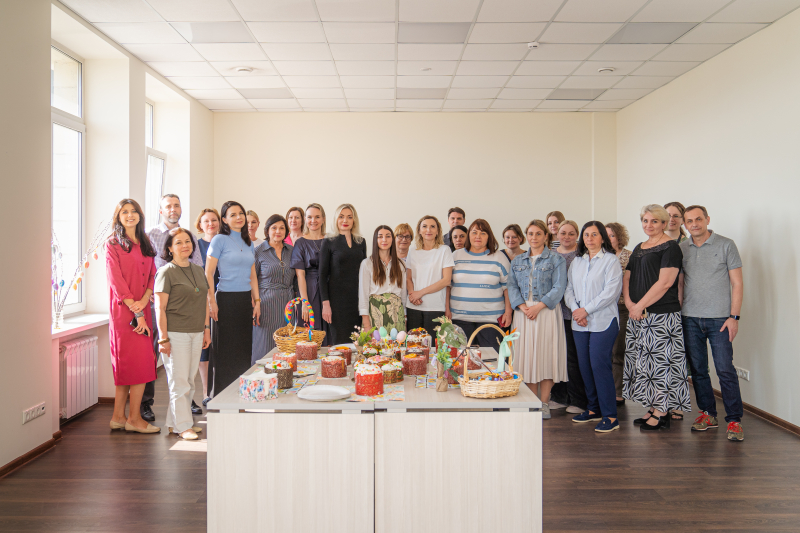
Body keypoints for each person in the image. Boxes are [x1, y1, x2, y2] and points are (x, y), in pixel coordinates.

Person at [623, 204, 691, 431]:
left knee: (661, 365)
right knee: (645, 365)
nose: (649, 225)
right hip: (639, 314)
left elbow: (665, 283)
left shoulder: (671, 248)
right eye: (645, 221)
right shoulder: (639, 247)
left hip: (662, 315)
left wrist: (639, 305)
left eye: (654, 221)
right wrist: (631, 304)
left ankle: (662, 411)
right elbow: (627, 277)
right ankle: (653, 407)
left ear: (664, 223)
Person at [680, 205, 745, 442]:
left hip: (720, 319)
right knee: (698, 371)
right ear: (685, 224)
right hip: (690, 318)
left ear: (707, 219)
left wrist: (734, 317)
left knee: (725, 369)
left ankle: (734, 420)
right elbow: (680, 284)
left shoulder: (726, 245)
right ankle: (708, 414)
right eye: (689, 221)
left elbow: (737, 283)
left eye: (698, 219)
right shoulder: (681, 248)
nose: (694, 224)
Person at [145, 194, 204, 420]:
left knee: (185, 366)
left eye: (176, 205)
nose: (173, 209)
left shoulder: (188, 237)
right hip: (158, 302)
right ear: (161, 211)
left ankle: (184, 406)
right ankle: (146, 403)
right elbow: (145, 267)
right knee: (155, 354)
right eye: (168, 206)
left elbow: (196, 267)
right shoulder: (150, 235)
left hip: (185, 304)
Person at [105, 199, 159, 434]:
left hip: (142, 308)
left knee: (137, 365)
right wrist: (137, 311)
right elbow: (115, 280)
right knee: (134, 365)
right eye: (124, 212)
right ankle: (134, 419)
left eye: (133, 211)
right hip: (124, 312)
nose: (130, 215)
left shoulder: (145, 241)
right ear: (118, 217)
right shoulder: (113, 244)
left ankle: (118, 417)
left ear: (140, 215)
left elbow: (153, 275)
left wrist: (144, 301)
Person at [564, 222, 624, 433]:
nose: (589, 238)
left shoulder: (611, 261)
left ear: (602, 238)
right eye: (586, 235)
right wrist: (576, 310)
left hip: (603, 321)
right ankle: (593, 409)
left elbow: (610, 293)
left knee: (599, 366)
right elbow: (568, 290)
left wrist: (586, 311)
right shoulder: (577, 261)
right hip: (580, 322)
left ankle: (610, 416)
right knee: (585, 366)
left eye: (594, 234)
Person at [154, 227, 211, 441]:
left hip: (196, 332)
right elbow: (160, 308)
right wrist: (163, 338)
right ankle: (184, 426)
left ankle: (174, 423)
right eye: (178, 242)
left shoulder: (198, 270)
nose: (184, 245)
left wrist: (206, 329)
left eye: (187, 241)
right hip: (175, 333)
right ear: (170, 248)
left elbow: (204, 301)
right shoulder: (166, 272)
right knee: (179, 382)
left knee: (189, 380)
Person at [507, 220, 567, 420]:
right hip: (523, 313)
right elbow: (511, 286)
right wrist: (522, 306)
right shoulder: (517, 261)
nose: (534, 237)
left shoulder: (556, 259)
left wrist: (538, 307)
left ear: (546, 236)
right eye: (530, 234)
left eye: (538, 233)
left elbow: (559, 287)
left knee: (546, 355)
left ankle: (544, 403)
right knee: (527, 357)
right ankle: (532, 402)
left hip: (546, 311)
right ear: (526, 236)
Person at [205, 201, 260, 398]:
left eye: (241, 213)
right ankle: (221, 397)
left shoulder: (249, 242)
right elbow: (208, 273)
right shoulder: (219, 240)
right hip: (225, 300)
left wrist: (257, 301)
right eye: (233, 214)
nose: (239, 217)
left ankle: (240, 395)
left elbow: (252, 275)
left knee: (243, 351)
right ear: (225, 220)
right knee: (225, 352)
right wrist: (212, 302)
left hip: (245, 301)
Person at [447, 219, 511, 351]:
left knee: (491, 358)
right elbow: (447, 285)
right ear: (468, 235)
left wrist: (508, 312)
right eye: (474, 232)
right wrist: (447, 309)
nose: (478, 236)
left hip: (490, 320)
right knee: (461, 358)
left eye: (483, 233)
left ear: (489, 236)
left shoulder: (499, 257)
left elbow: (508, 287)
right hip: (459, 318)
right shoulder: (456, 256)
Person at [550, 220, 587, 415]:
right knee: (556, 356)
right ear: (557, 235)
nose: (566, 237)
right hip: (553, 313)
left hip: (574, 313)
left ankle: (578, 400)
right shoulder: (550, 255)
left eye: (571, 233)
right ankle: (559, 396)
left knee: (573, 358)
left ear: (577, 235)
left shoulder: (582, 256)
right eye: (563, 233)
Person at [319, 203, 367, 345]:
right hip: (336, 302)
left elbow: (365, 272)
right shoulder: (328, 242)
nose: (345, 220)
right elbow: (322, 276)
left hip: (357, 300)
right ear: (336, 219)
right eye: (341, 217)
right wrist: (325, 304)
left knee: (357, 343)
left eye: (349, 217)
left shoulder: (361, 242)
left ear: (354, 220)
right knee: (339, 344)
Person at [252, 214, 297, 364]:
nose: (278, 231)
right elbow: (252, 280)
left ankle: (285, 374)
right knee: (264, 343)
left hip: (288, 303)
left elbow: (297, 277)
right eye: (274, 228)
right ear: (267, 230)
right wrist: (255, 304)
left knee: (286, 344)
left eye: (282, 228)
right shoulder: (258, 252)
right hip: (265, 304)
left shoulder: (292, 250)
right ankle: (261, 375)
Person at [406, 215, 455, 336]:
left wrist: (420, 293)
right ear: (419, 230)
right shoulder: (412, 250)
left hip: (435, 307)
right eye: (424, 226)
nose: (428, 230)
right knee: (414, 344)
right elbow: (408, 278)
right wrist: (412, 295)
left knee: (432, 344)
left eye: (432, 226)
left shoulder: (444, 250)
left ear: (438, 231)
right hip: (414, 305)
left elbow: (446, 280)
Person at [291, 203, 330, 344]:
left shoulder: (330, 240)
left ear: (323, 219)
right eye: (309, 217)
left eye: (317, 217)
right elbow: (300, 275)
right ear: (305, 220)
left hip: (329, 290)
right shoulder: (300, 243)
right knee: (310, 335)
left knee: (330, 333)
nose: (313, 220)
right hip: (309, 290)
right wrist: (305, 302)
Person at [359, 226, 407, 332]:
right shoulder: (367, 264)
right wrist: (366, 324)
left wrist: (405, 317)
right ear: (375, 240)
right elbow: (363, 295)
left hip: (396, 313)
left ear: (392, 240)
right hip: (375, 312)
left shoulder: (401, 264)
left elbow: (403, 294)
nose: (384, 240)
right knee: (376, 342)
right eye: (380, 237)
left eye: (388, 236)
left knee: (397, 343)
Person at [195, 208, 220, 406]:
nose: (211, 224)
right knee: (204, 347)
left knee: (220, 347)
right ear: (200, 225)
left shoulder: (225, 243)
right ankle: (205, 391)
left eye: (214, 220)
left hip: (224, 298)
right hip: (201, 301)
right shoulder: (196, 246)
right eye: (206, 221)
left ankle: (220, 388)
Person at [605, 222, 632, 406]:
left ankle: (617, 392)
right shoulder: (600, 256)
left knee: (617, 350)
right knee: (603, 351)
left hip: (622, 308)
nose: (609, 239)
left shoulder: (629, 256)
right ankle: (603, 389)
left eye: (612, 235)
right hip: (602, 309)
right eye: (606, 235)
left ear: (619, 237)